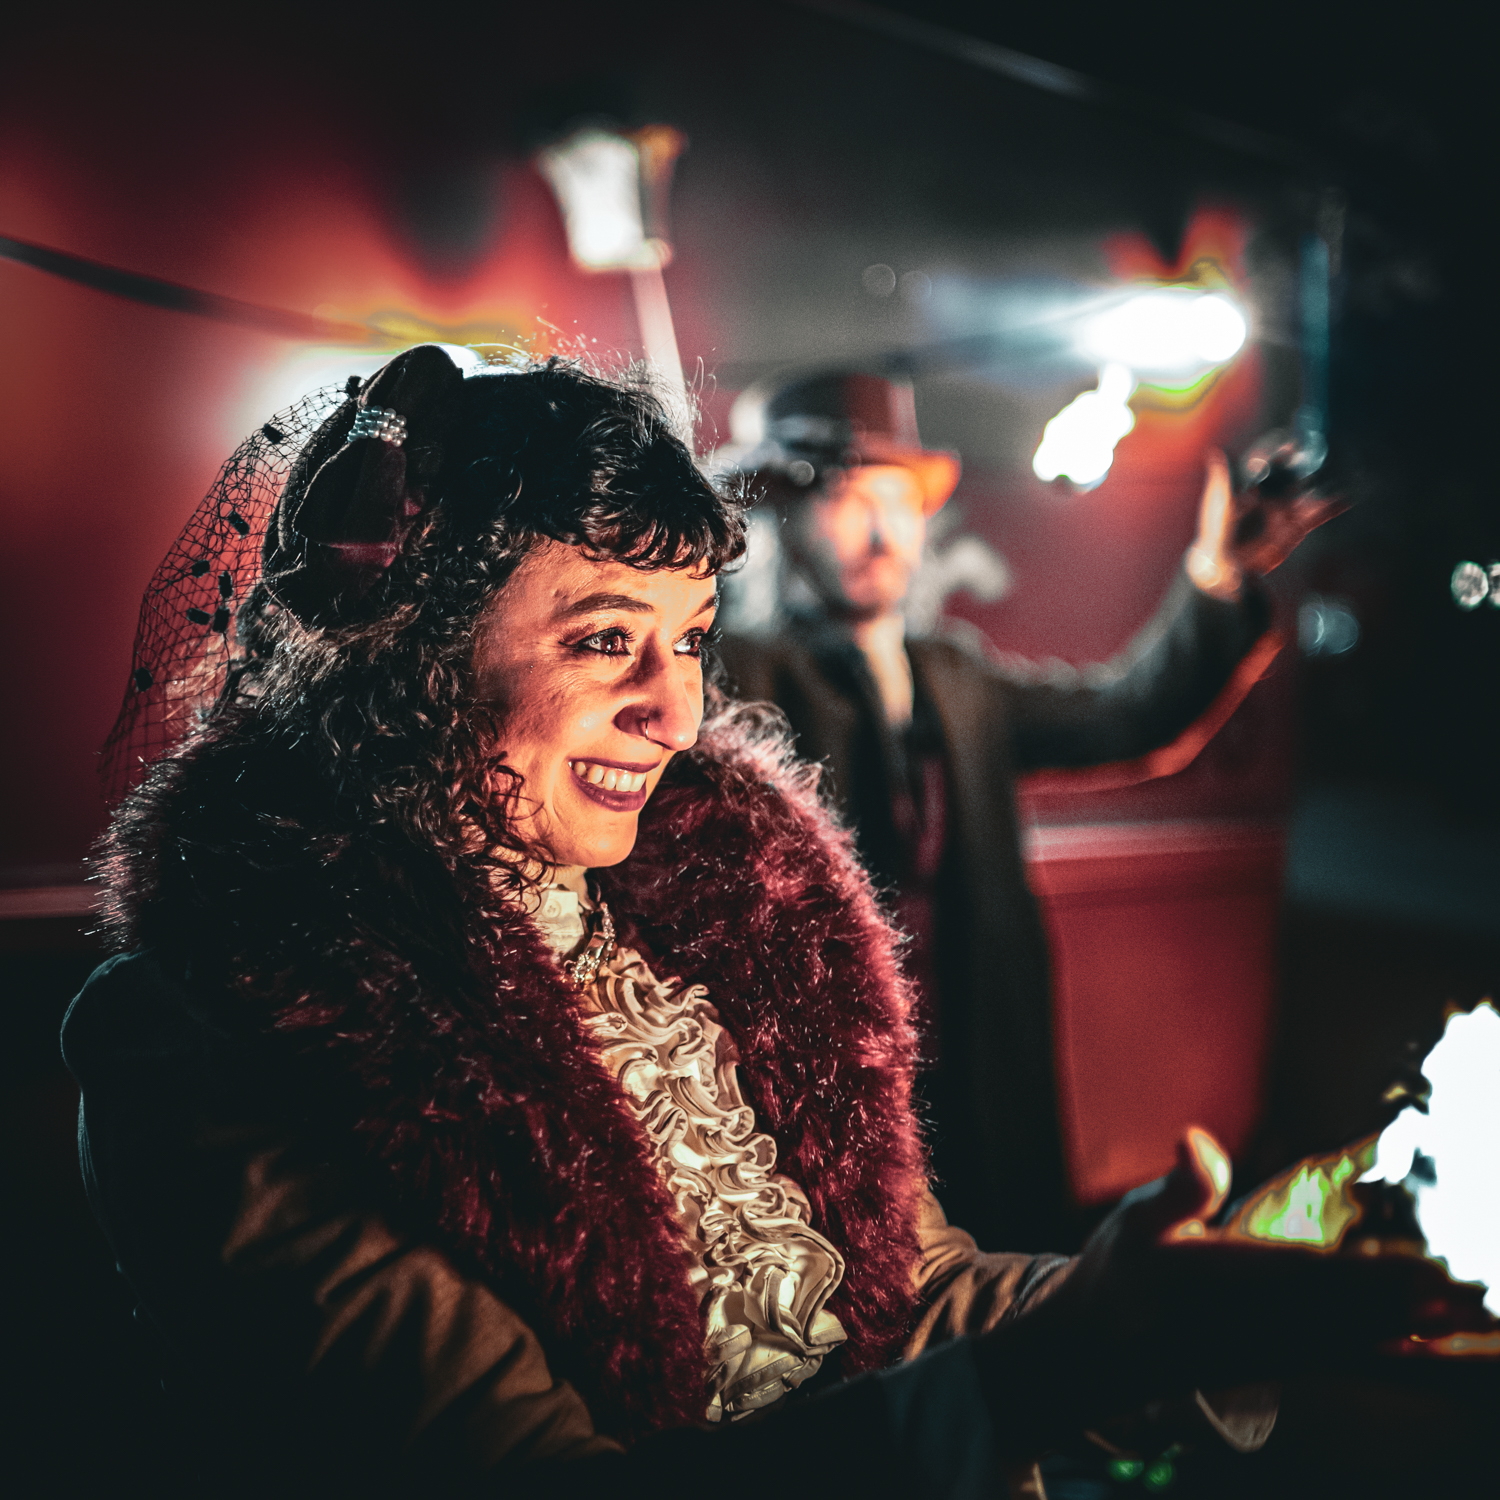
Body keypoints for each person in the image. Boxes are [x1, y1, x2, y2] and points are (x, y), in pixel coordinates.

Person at [64, 348, 1458, 1498]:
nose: (676, 712)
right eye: (606, 637)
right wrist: (1050, 1374)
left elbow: (911, 1295)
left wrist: (1196, 1297)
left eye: (689, 638)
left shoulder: (722, 918)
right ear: (415, 653)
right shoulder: (213, 1033)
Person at [715, 371, 1342, 1249]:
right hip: (830, 1086)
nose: (879, 528)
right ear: (780, 514)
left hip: (976, 1064)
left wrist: (1220, 571)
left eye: (897, 496)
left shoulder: (955, 678)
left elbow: (1131, 715)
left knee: (1008, 1286)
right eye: (842, 498)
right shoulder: (736, 684)